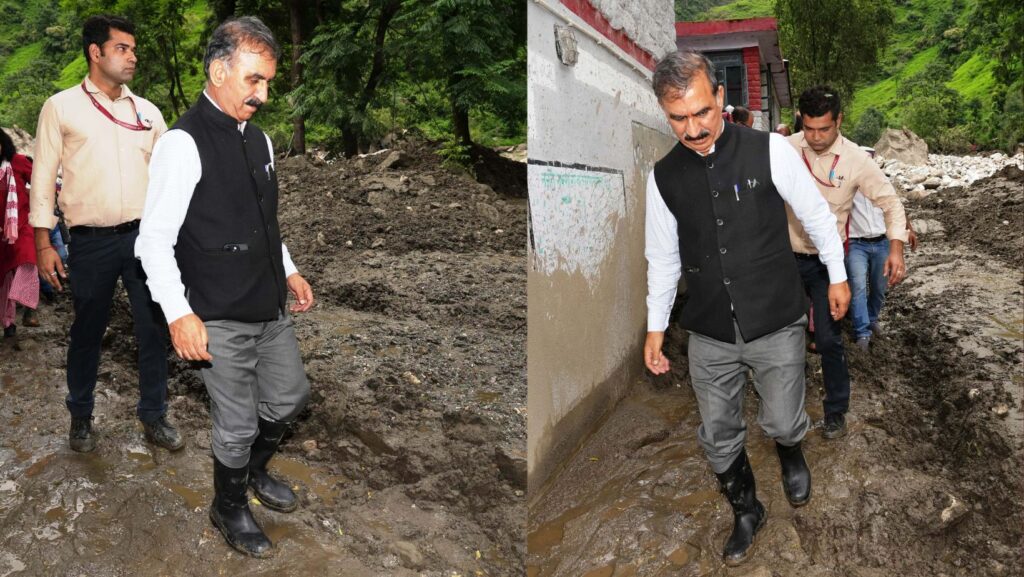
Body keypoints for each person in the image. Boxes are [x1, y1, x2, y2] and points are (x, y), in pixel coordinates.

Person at [644, 51, 850, 566]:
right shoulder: (663, 177)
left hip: (775, 318)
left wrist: (839, 276)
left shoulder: (770, 151)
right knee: (717, 435)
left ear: (720, 97)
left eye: (701, 113)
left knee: (782, 418)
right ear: (664, 113)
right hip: (710, 328)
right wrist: (654, 328)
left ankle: (790, 450)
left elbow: (817, 216)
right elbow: (663, 258)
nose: (692, 129)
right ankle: (746, 509)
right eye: (678, 118)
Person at [135, 16, 314, 558]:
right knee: (235, 423)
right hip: (215, 312)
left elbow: (263, 221)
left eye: (268, 84)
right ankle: (228, 504)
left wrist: (288, 268)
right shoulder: (182, 144)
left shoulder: (259, 141)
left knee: (290, 397)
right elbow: (152, 242)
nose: (262, 95)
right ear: (218, 71)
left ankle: (254, 472)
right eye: (253, 81)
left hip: (267, 303)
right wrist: (178, 313)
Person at [29, 15, 178, 454]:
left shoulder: (147, 112)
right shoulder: (61, 107)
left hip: (145, 240)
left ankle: (155, 415)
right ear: (96, 52)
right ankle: (80, 415)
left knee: (153, 329)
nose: (133, 57)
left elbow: (169, 178)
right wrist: (43, 242)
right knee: (87, 331)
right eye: (122, 49)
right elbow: (42, 177)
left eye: (133, 49)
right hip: (90, 241)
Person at [786, 86, 908, 440]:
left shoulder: (856, 159)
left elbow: (891, 202)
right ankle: (785, 410)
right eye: (809, 128)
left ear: (839, 120)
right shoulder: (786, 150)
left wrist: (896, 248)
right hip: (785, 259)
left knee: (828, 339)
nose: (816, 137)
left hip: (829, 265)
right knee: (783, 337)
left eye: (824, 128)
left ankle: (836, 411)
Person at [846, 190, 918, 350]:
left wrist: (909, 229)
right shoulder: (848, 179)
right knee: (858, 287)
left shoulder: (878, 181)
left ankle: (871, 319)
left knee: (879, 287)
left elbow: (895, 206)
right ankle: (862, 331)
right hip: (855, 243)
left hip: (881, 242)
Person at [1, 128, 38, 340]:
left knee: (27, 262)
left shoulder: (19, 161)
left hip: (21, 227)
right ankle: (8, 323)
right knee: (4, 277)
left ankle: (28, 305)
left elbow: (41, 182)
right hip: (1, 234)